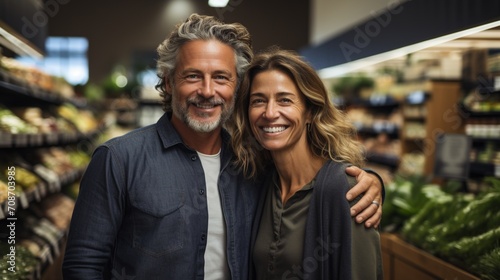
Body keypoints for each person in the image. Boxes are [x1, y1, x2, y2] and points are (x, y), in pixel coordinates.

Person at [62, 14, 383, 280]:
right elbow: (83, 265)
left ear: (236, 87)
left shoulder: (252, 163)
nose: (207, 90)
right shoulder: (118, 160)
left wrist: (367, 180)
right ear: (169, 81)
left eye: (221, 77)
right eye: (192, 76)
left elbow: (311, 174)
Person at [228, 47, 383, 279]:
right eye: (258, 100)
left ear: (310, 111)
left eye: (285, 100)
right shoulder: (260, 183)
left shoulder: (346, 189)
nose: (270, 113)